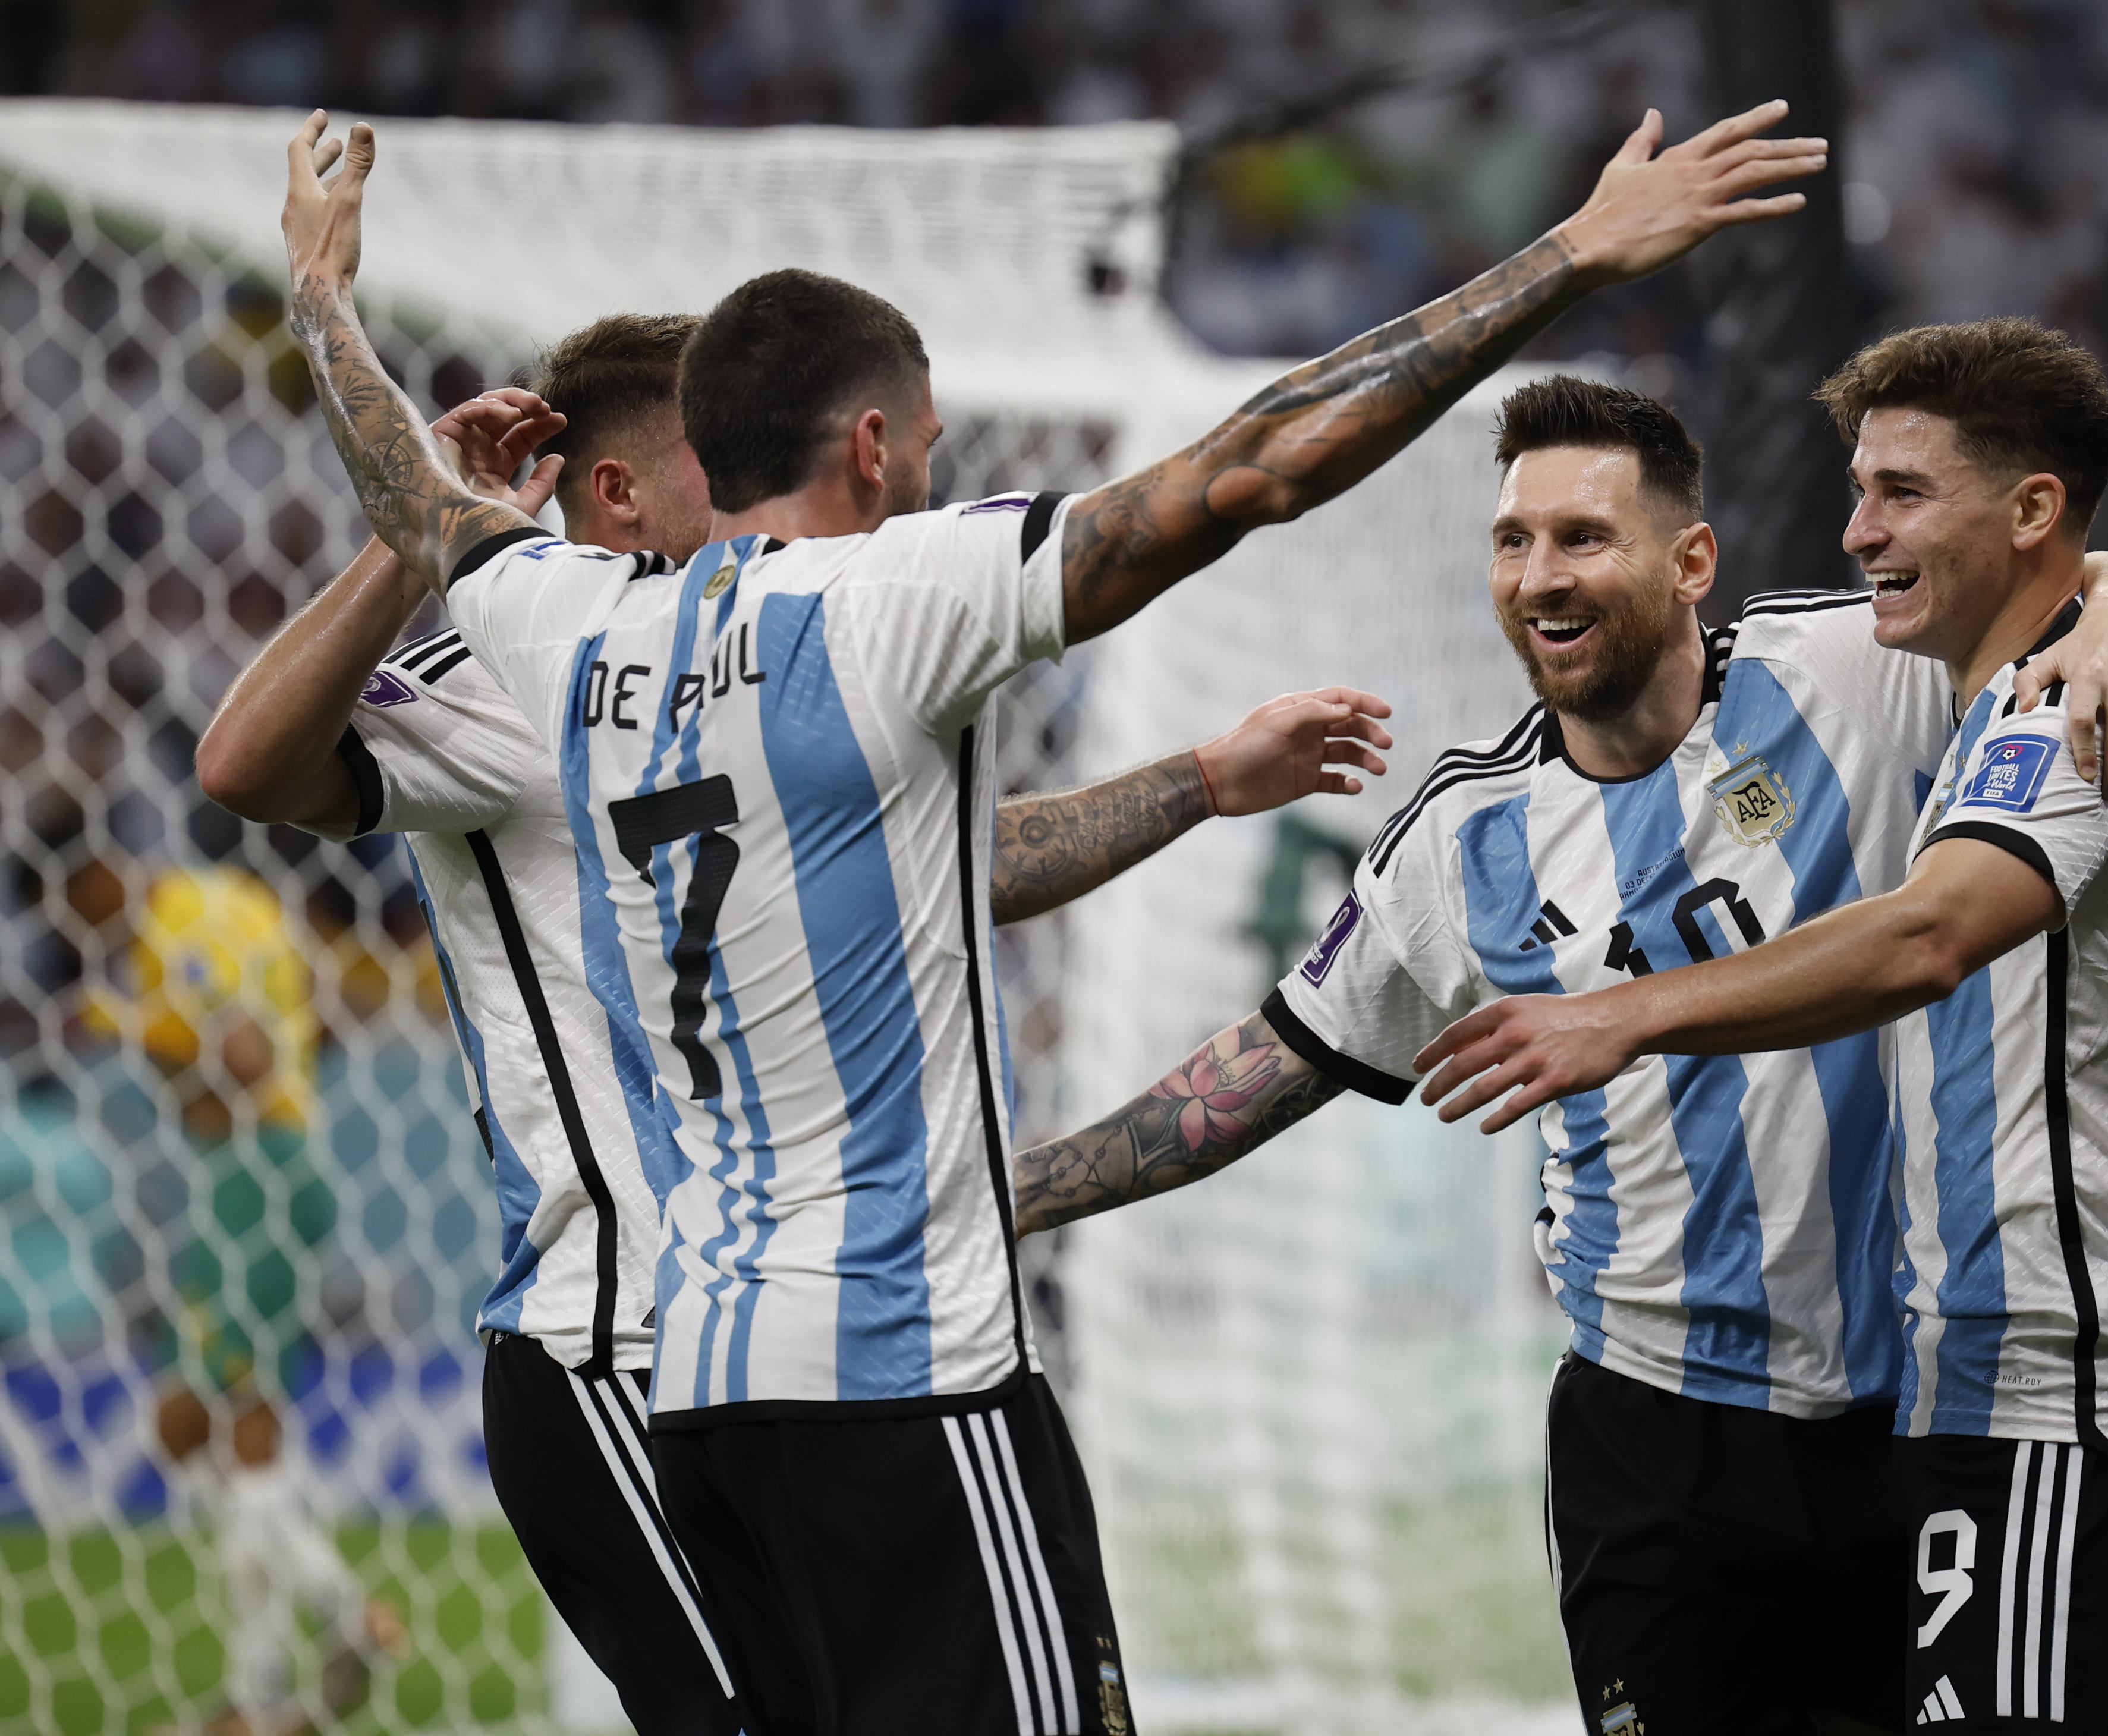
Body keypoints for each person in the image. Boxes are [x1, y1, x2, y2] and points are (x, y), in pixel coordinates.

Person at [276, 95, 1835, 1734]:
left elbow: (422, 503)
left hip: (708, 1394)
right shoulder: (892, 597)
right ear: (873, 448)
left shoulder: (570, 630)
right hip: (903, 1369)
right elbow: (1252, 469)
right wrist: (1571, 257)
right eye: (929, 444)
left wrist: (324, 303)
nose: (934, 472)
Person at [197, 312, 1394, 1736]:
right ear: (618, 495)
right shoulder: (518, 671)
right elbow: (246, 762)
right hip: (612, 1336)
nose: (755, 485)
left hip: (761, 1334)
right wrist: (415, 535)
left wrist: (1201, 775)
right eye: (714, 457)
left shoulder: (748, 658)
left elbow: (952, 858)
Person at [1002, 372, 2108, 1735]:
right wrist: (1027, 1183)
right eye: (1512, 540)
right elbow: (1270, 1059)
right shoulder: (1464, 840)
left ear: (1692, 563)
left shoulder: (1849, 674)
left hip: (1904, 1411)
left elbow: (2047, 569)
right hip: (1650, 1434)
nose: (1537, 575)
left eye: (1581, 537)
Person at [1415, 320, 2108, 1734]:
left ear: (2030, 510)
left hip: (2067, 1387)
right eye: (1857, 490)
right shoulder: (2001, 707)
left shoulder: (2066, 721)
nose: (1856, 531)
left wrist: (1621, 1015)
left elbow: (1926, 934)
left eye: (1899, 494)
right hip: (1989, 1389)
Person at [75, 859, 406, 1736]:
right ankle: (294, 1663)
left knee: (234, 1427)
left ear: (97, 883)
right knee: (199, 1429)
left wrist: (127, 1026)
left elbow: (243, 1055)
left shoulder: (183, 922)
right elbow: (316, 1010)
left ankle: (300, 1656)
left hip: (254, 1173)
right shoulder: (249, 904)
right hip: (262, 1170)